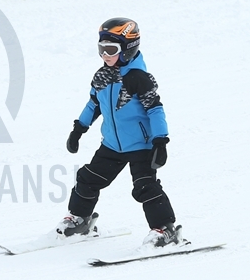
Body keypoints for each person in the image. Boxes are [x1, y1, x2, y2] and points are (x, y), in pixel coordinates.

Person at [59, 17, 182, 248]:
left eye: (110, 49)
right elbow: (94, 104)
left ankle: (165, 230)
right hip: (112, 146)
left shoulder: (139, 79)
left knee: (145, 187)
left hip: (141, 146)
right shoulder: (102, 76)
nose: (105, 55)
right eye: (101, 49)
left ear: (128, 49)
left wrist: (160, 141)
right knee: (87, 179)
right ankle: (79, 220)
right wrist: (79, 128)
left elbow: (155, 109)